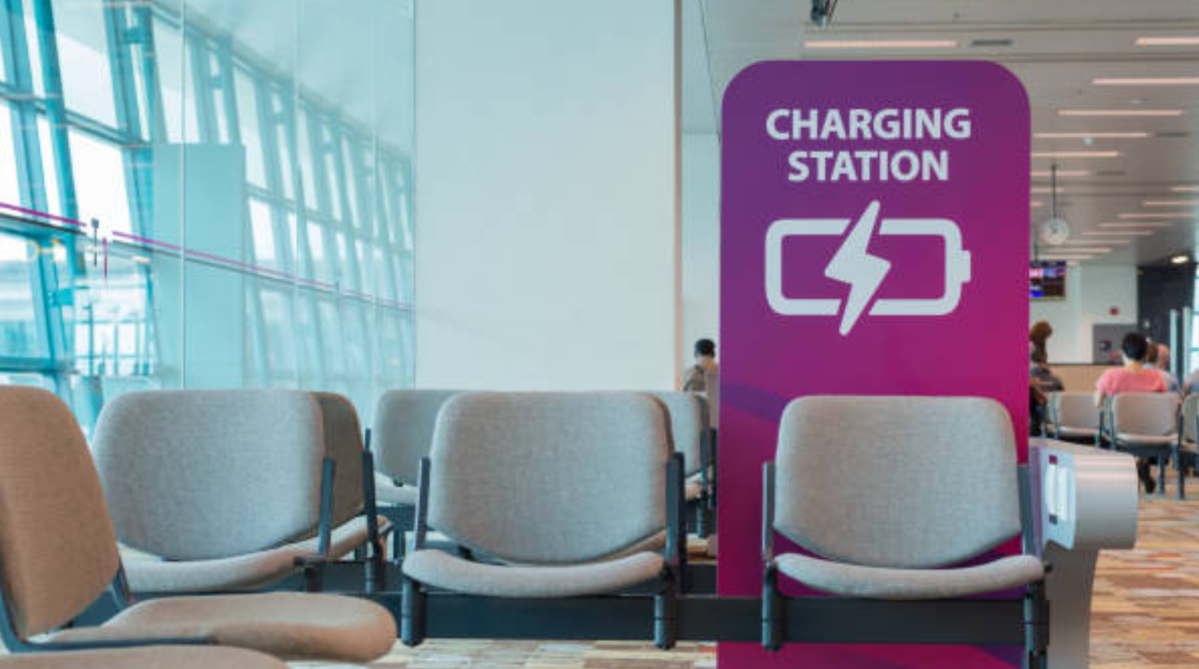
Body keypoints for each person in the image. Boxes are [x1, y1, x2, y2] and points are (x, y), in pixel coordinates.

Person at [1095, 332, 1167, 493]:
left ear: (1122, 352)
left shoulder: (1111, 375)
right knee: (1143, 424)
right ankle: (1140, 463)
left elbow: (1097, 403)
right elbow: (1160, 407)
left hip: (1119, 430)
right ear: (1146, 353)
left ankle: (1132, 466)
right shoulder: (1156, 377)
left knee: (1112, 427)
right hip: (1148, 430)